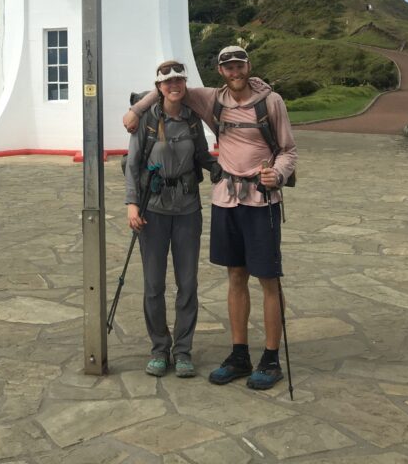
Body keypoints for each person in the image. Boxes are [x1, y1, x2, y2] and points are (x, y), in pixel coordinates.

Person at [123, 45, 297, 391]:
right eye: (228, 67)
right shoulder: (210, 99)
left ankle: (271, 358)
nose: (235, 71)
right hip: (226, 201)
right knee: (235, 276)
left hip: (261, 200)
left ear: (248, 66)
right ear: (220, 71)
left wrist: (276, 174)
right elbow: (169, 94)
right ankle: (239, 354)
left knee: (267, 279)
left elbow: (288, 149)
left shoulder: (271, 101)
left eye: (239, 65)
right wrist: (135, 111)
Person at [125, 60, 217, 379]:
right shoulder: (147, 121)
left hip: (188, 210)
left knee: (187, 283)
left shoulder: (193, 120)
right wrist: (132, 205)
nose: (174, 85)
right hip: (153, 211)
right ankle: (159, 349)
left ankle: (183, 350)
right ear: (159, 87)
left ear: (184, 83)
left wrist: (225, 169)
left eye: (179, 79)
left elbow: (203, 156)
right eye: (168, 82)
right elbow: (133, 165)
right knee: (153, 285)